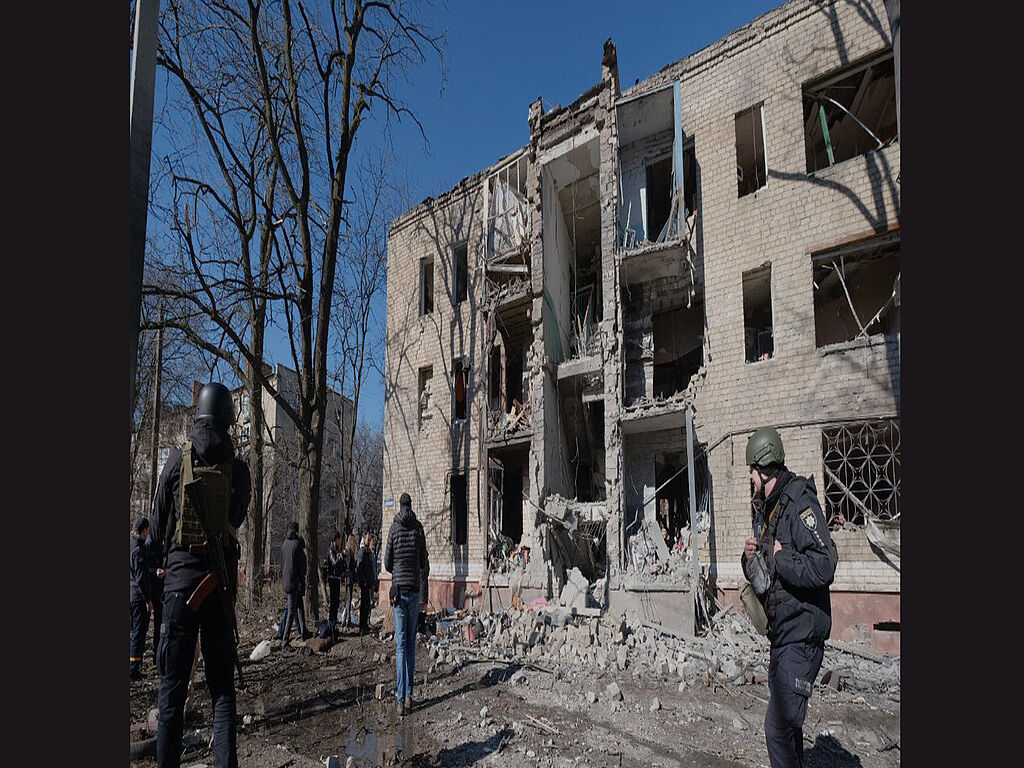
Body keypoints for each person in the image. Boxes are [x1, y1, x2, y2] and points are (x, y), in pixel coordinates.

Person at [151, 382, 251, 768]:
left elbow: (158, 527)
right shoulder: (238, 470)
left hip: (178, 590)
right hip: (218, 590)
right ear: (228, 418)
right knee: (223, 693)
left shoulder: (175, 461)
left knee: (171, 695)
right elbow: (237, 518)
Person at [740, 427, 837, 768]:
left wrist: (781, 557)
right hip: (782, 636)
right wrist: (751, 558)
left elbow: (825, 564)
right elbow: (767, 581)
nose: (749, 477)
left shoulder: (798, 501)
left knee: (777, 729)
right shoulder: (770, 510)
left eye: (751, 470)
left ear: (764, 467)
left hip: (802, 636)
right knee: (790, 728)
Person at [384, 492, 429, 716]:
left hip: (398, 593)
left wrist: (398, 571)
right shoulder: (418, 528)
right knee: (410, 645)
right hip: (413, 591)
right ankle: (410, 695)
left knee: (400, 646)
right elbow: (423, 561)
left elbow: (387, 563)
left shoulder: (393, 528)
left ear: (399, 506)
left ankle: (400, 699)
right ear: (411, 506)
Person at [130, 517, 152, 680]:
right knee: (138, 633)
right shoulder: (138, 550)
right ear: (144, 531)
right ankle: (133, 669)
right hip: (138, 597)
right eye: (147, 530)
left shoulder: (131, 545)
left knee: (134, 632)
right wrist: (147, 599)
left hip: (131, 595)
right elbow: (140, 577)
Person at [280, 522, 308, 647]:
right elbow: (302, 568)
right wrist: (302, 579)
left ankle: (302, 631)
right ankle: (285, 642)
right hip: (294, 582)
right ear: (296, 531)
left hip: (286, 580)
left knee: (299, 606)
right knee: (291, 611)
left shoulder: (285, 543)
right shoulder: (298, 545)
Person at [145, 529, 167, 668]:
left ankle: (157, 656)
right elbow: (143, 568)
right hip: (149, 592)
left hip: (162, 593)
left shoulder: (165, 542)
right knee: (143, 627)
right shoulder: (148, 544)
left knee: (161, 626)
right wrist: (155, 571)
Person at [325, 530, 344, 633]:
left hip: (337, 578)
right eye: (339, 539)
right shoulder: (331, 550)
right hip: (332, 578)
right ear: (335, 540)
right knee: (333, 602)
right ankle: (331, 623)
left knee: (336, 602)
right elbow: (335, 562)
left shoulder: (337, 551)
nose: (340, 542)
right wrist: (342, 556)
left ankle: (334, 623)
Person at [356, 534, 374, 635]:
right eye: (368, 539)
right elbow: (359, 567)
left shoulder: (368, 552)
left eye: (369, 539)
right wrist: (363, 581)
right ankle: (362, 627)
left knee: (367, 604)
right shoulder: (362, 551)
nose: (369, 541)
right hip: (364, 583)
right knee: (364, 605)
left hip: (368, 582)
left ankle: (365, 625)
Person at [340, 534, 358, 629]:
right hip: (349, 577)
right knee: (349, 599)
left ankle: (345, 619)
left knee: (347, 599)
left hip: (347, 577)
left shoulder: (347, 552)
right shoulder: (349, 553)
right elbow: (349, 565)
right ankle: (346, 619)